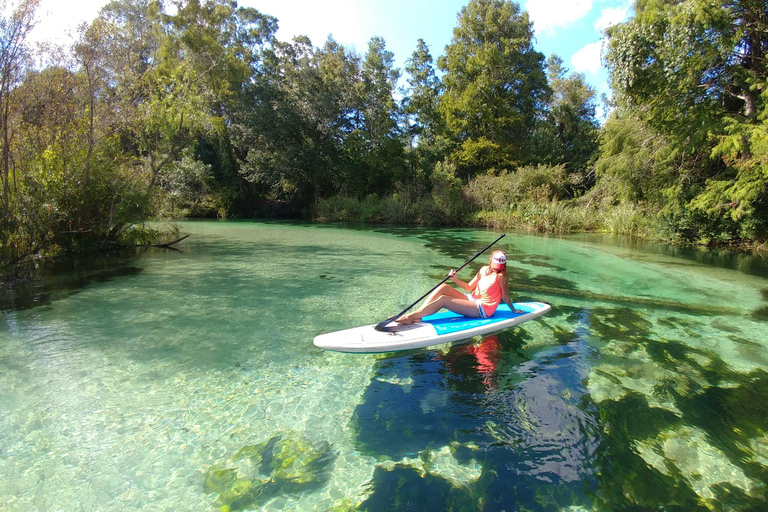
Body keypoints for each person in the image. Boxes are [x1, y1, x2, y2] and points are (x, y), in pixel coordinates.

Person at [395, 250, 522, 324]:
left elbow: (505, 296)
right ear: (490, 261)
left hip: (483, 309)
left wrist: (513, 310)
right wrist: (455, 279)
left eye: (499, 268)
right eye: (495, 267)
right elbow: (469, 287)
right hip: (472, 299)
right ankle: (417, 315)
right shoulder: (483, 269)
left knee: (444, 300)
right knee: (443, 287)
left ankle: (410, 317)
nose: (497, 270)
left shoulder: (502, 277)